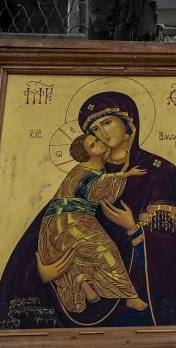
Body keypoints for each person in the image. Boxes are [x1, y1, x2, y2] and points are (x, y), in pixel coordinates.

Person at [0, 91, 176, 329]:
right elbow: (52, 224)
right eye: (96, 130)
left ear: (129, 120)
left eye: (107, 122)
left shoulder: (159, 172)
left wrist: (132, 228)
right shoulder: (86, 173)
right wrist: (44, 266)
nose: (103, 133)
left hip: (141, 298)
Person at [37, 134, 149, 315]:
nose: (99, 142)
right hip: (67, 219)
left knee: (80, 254)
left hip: (74, 218)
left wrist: (128, 154)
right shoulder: (82, 170)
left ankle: (84, 284)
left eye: (97, 140)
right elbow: (97, 189)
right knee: (105, 250)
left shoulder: (98, 164)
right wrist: (126, 174)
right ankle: (130, 296)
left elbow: (111, 171)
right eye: (93, 144)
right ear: (86, 153)